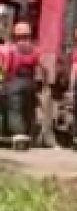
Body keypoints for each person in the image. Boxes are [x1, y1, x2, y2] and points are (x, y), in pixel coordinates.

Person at [5, 21, 40, 150]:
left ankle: (19, 137)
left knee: (15, 110)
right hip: (30, 83)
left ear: (15, 34)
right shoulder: (34, 49)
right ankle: (27, 136)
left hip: (15, 81)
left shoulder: (12, 49)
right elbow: (40, 67)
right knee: (28, 110)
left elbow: (7, 66)